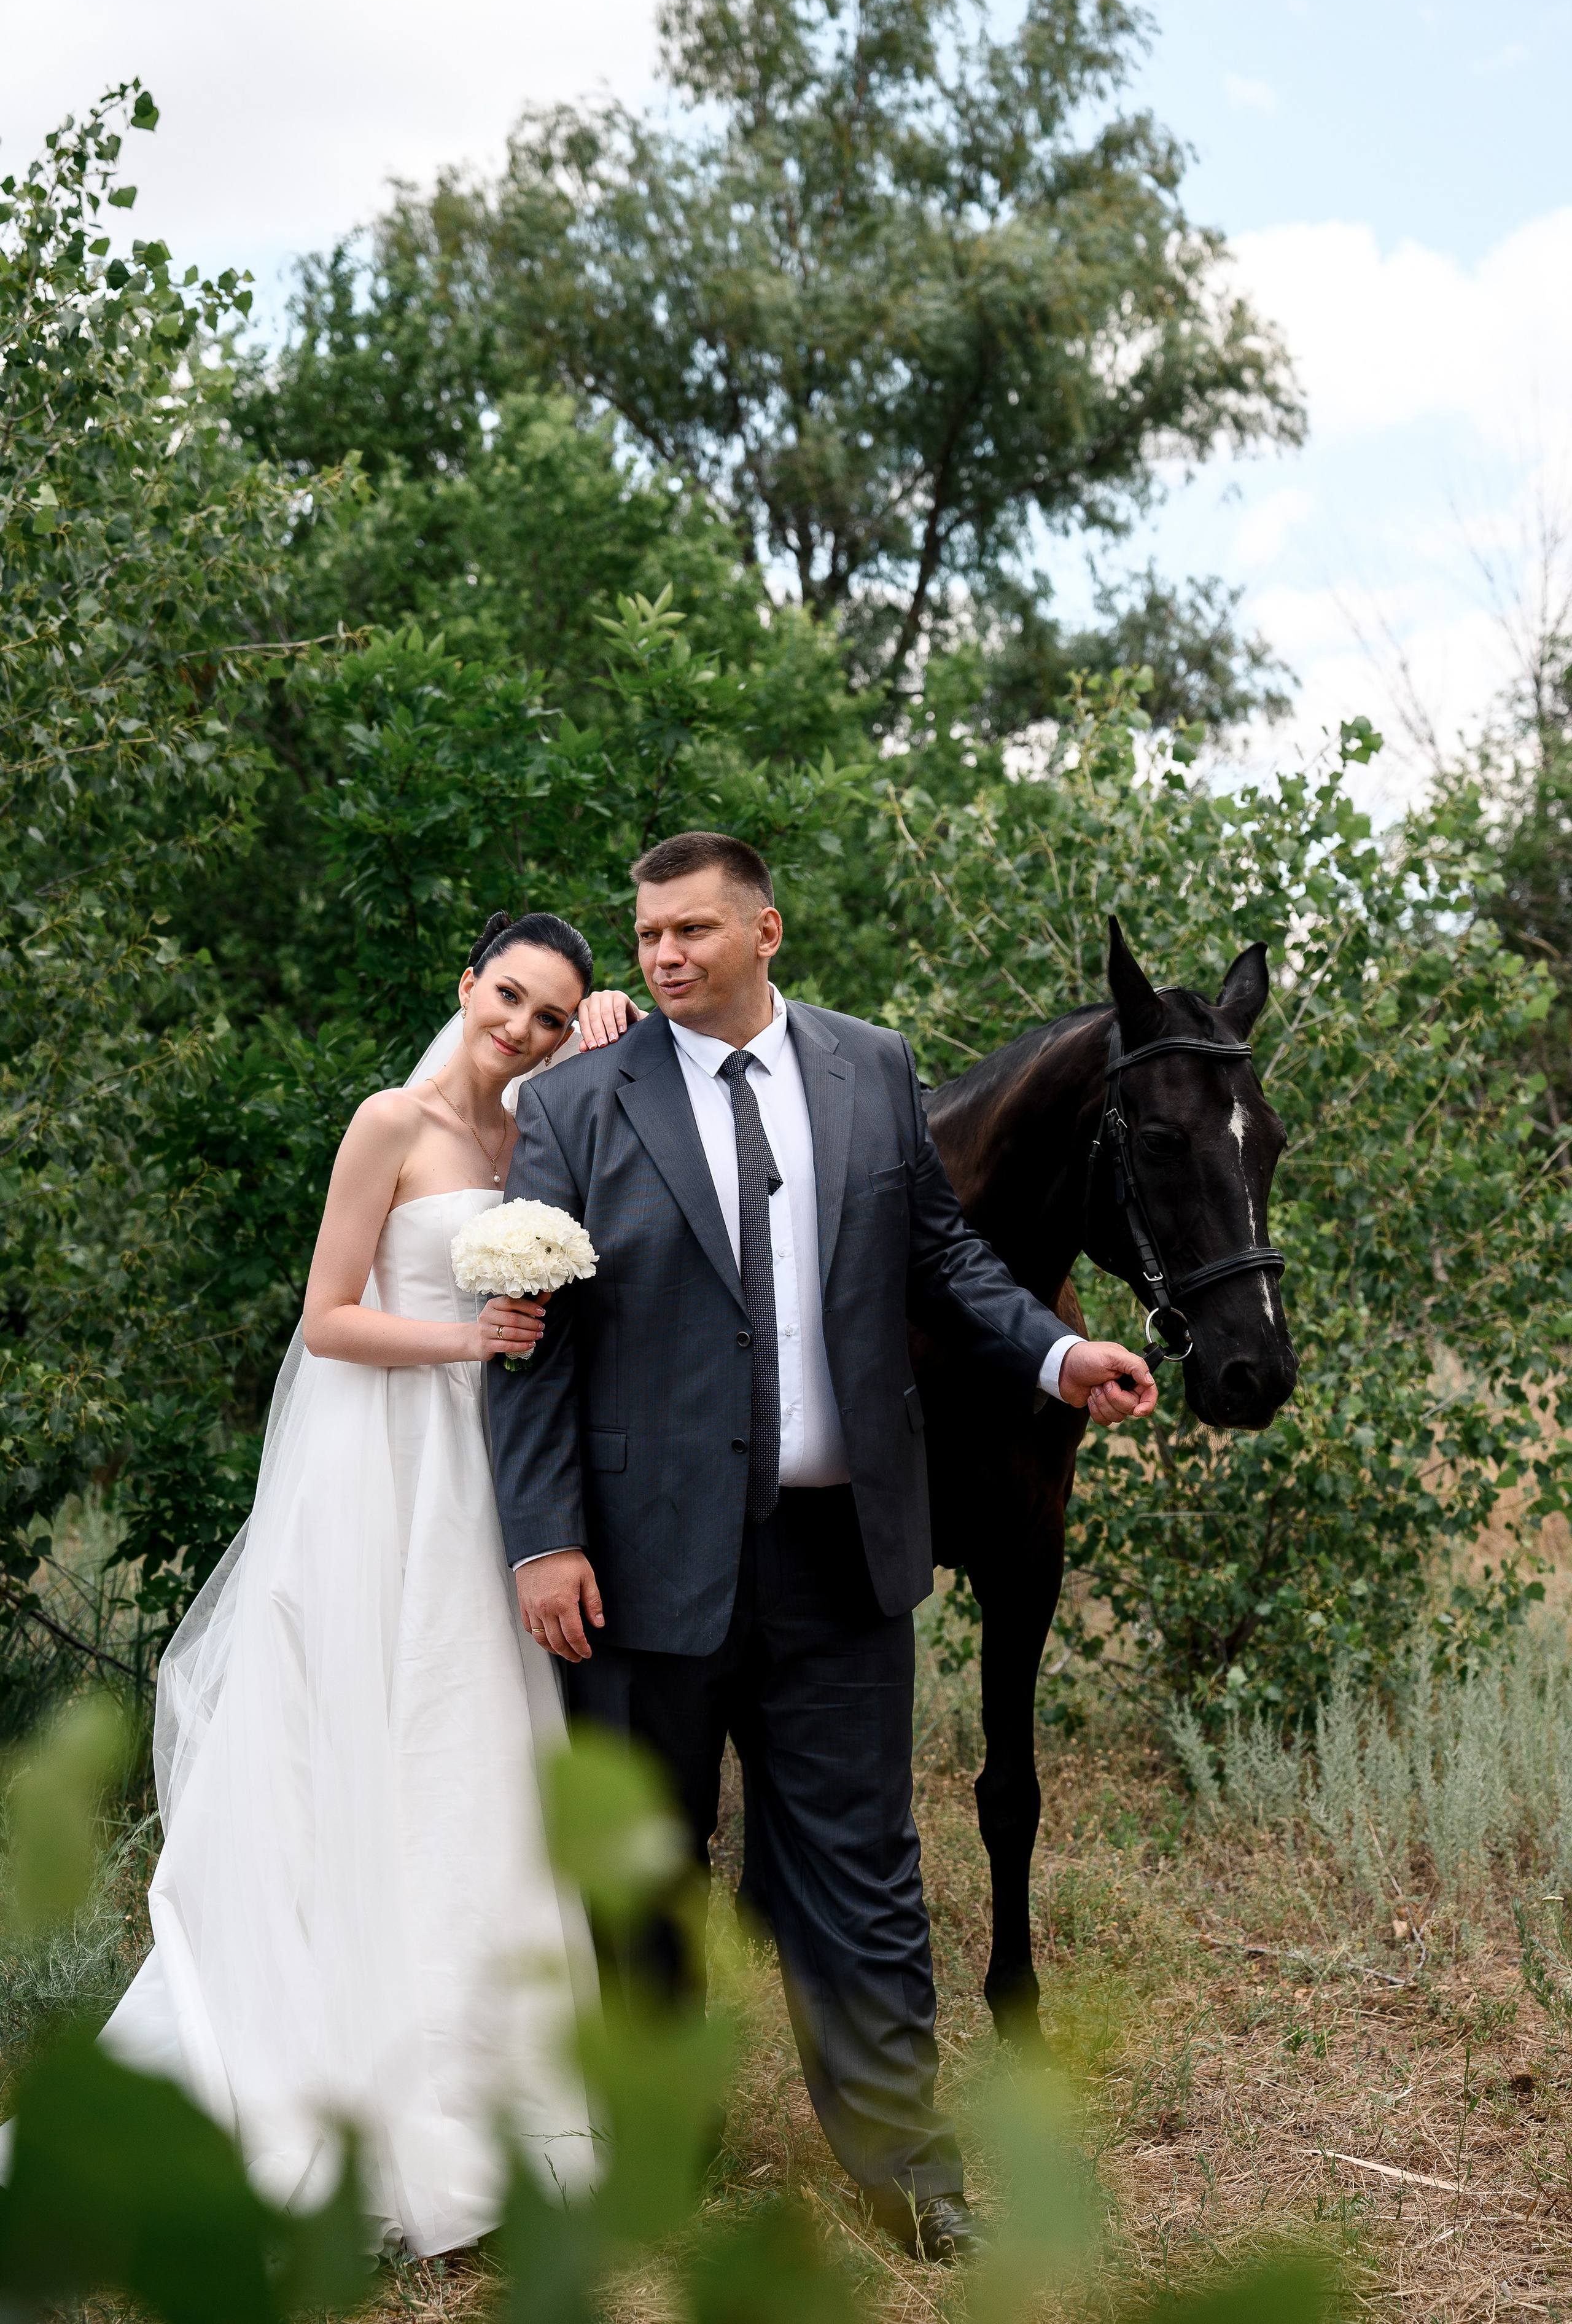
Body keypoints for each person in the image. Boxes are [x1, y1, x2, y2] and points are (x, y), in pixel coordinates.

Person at [490, 833, 1158, 2263]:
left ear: (766, 931)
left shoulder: (872, 1067)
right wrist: (542, 1537)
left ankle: (907, 2176)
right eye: (646, 933)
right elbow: (526, 1347)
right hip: (636, 1558)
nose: (662, 955)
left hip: (839, 1551)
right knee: (651, 1873)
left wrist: (1056, 1353)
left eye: (690, 931)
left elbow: (943, 1256)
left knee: (861, 1870)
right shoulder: (572, 1103)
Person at [97, 913, 640, 2256]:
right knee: (369, 1746)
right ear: (466, 986)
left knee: (474, 1762)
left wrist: (620, 1015)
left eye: (550, 1018)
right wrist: (466, 1335)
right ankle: (344, 2106)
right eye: (507, 999)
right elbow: (325, 1313)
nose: (521, 1030)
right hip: (388, 1469)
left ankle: (491, 2113)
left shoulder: (539, 1132)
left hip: (492, 1486)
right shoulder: (388, 1121)